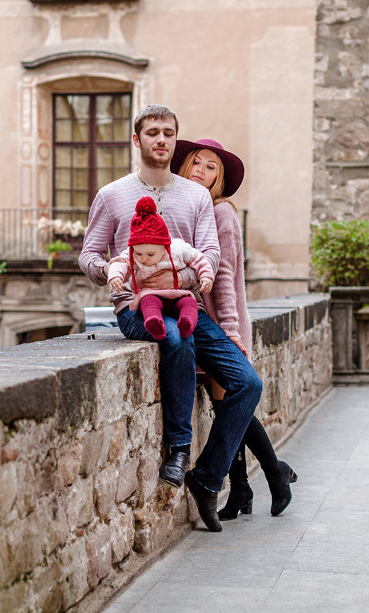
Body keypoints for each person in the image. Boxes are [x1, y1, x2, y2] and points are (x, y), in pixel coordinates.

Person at [79, 104, 263, 532]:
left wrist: (176, 274)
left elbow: (211, 254)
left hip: (187, 305)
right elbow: (89, 254)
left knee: (247, 383)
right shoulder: (111, 195)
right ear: (137, 140)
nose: (160, 140)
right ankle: (180, 448)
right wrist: (110, 270)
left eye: (168, 133)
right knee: (177, 341)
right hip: (134, 308)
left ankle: (206, 475)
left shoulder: (196, 196)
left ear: (174, 141)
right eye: (152, 133)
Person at [174, 138, 299, 518]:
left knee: (232, 404)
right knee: (225, 406)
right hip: (205, 320)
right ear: (185, 168)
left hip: (222, 320)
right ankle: (243, 490)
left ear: (220, 180)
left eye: (212, 167)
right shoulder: (190, 209)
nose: (201, 170)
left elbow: (224, 274)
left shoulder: (221, 213)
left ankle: (274, 476)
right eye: (197, 162)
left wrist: (228, 328)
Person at [107, 197, 214, 341]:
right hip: (150, 294)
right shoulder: (133, 253)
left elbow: (198, 259)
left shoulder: (177, 249)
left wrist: (206, 275)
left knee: (189, 303)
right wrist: (115, 276)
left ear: (164, 247)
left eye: (150, 254)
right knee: (147, 302)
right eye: (139, 253)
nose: (144, 258)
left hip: (178, 293)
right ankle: (153, 323)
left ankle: (187, 323)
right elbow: (119, 263)